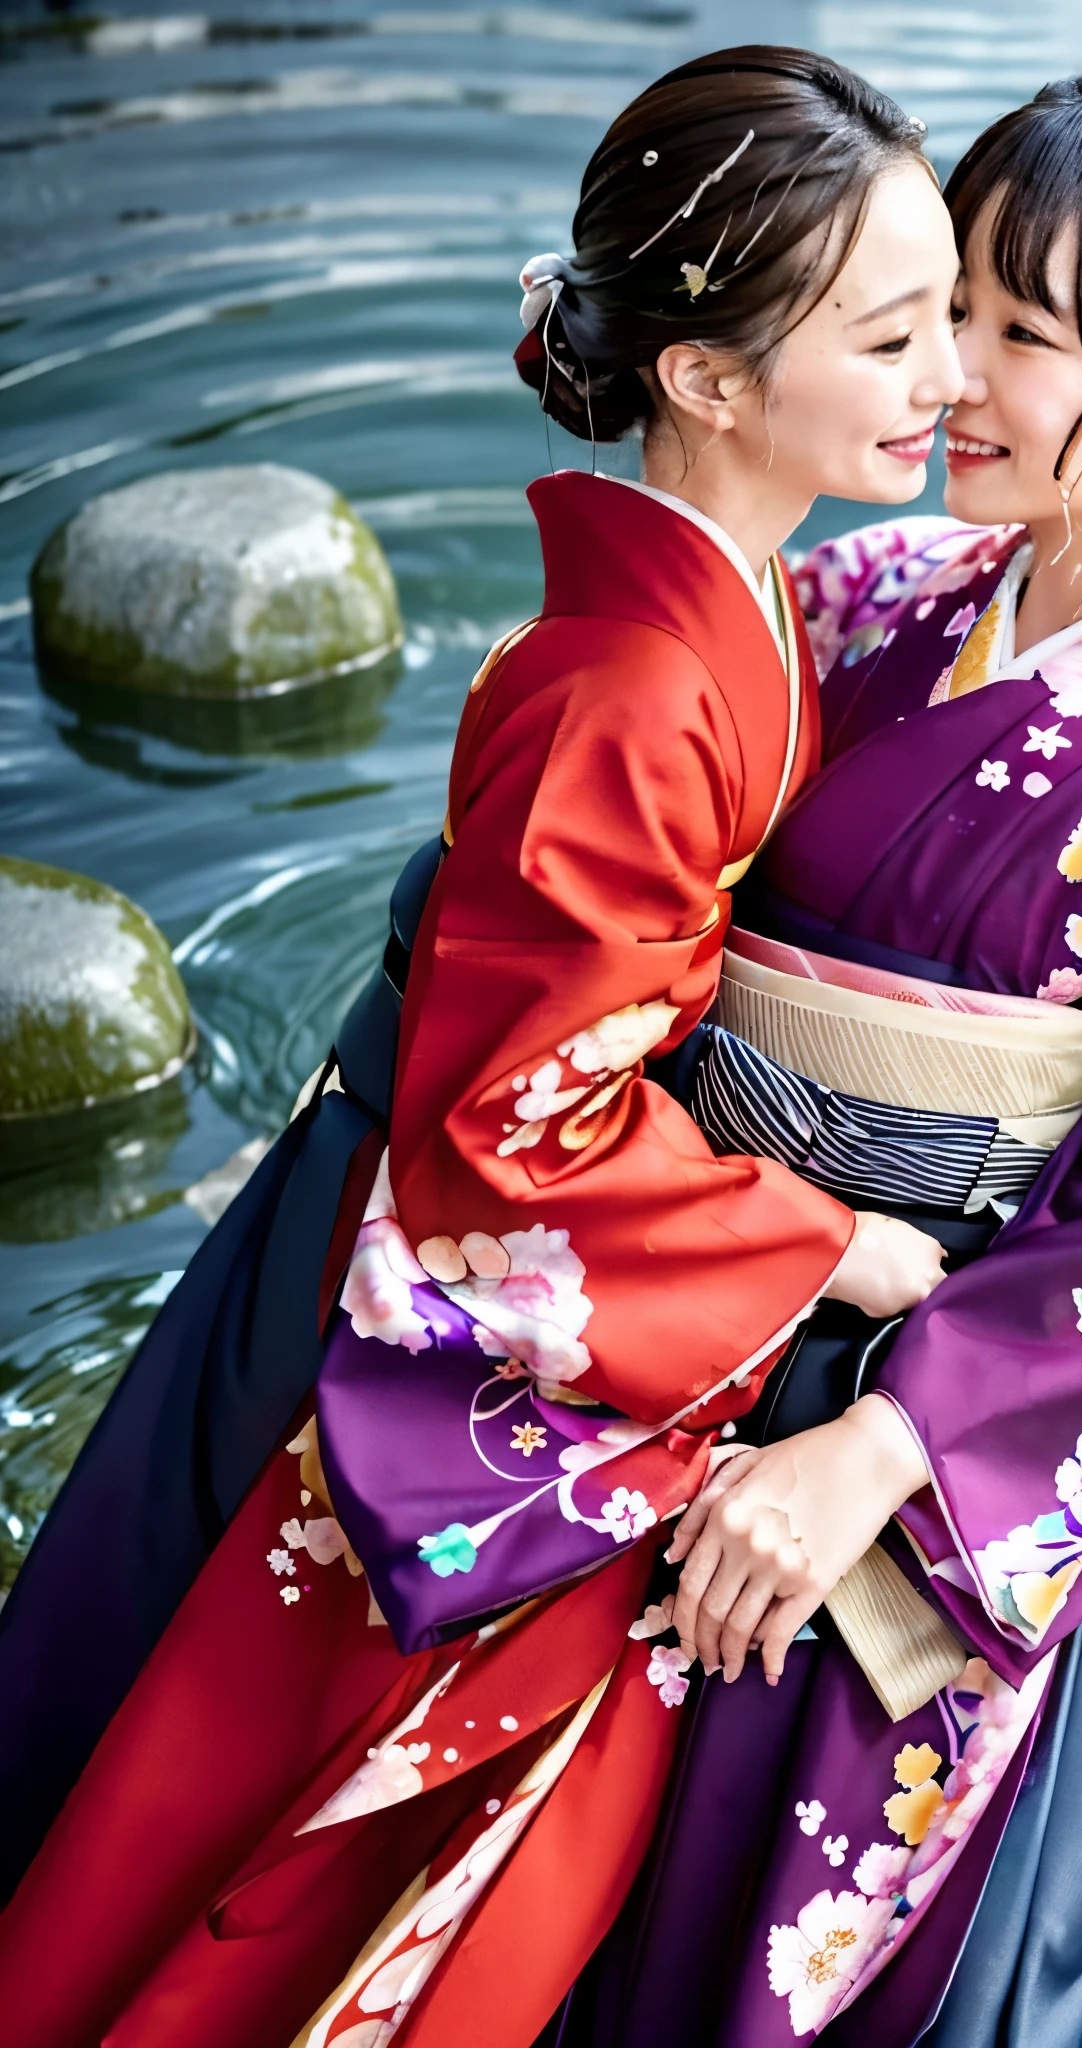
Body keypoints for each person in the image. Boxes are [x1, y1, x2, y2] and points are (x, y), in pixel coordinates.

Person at [0, 47, 966, 2048]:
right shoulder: (627, 689)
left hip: (457, 1184)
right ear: (707, 379)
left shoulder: (734, 611)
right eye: (894, 335)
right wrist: (819, 1239)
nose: (950, 372)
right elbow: (510, 1126)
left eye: (954, 312)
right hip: (430, 1242)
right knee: (272, 1798)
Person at [551, 39, 1082, 2047]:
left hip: (966, 1395)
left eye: (1021, 330)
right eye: (950, 308)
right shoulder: (868, 594)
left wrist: (868, 1453)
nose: (952, 378)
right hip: (704, 1266)